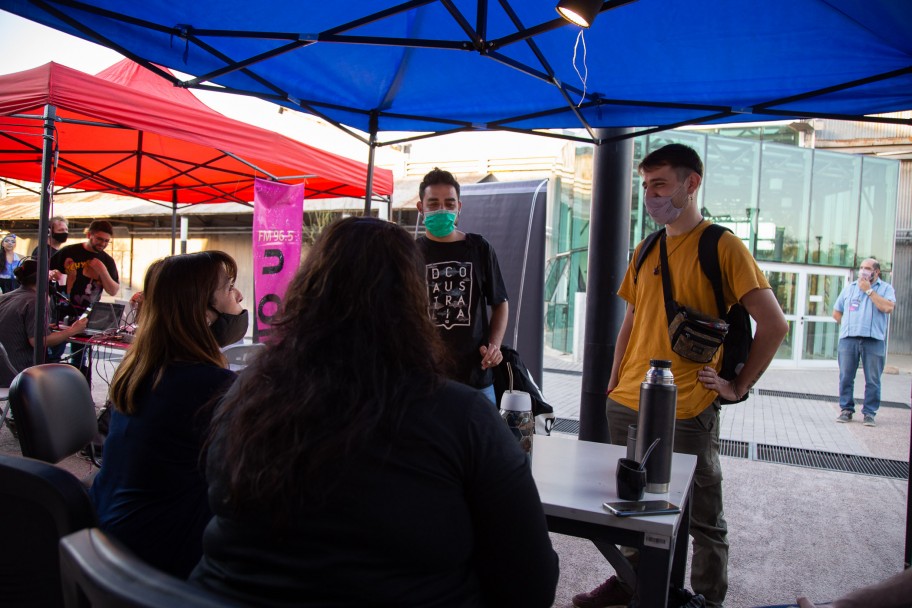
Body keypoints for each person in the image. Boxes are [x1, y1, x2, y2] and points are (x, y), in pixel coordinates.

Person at [191, 217, 559, 606]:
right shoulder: (462, 418)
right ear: (415, 305)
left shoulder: (243, 397)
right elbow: (532, 584)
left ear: (307, 292)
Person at [573, 144, 788, 608]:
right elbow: (631, 317)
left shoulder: (722, 246)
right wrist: (613, 379)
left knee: (702, 513)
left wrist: (736, 387)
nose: (650, 196)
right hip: (627, 398)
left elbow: (774, 323)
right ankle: (632, 583)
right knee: (630, 505)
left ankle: (708, 599)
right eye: (646, 186)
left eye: (660, 185)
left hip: (689, 405)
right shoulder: (648, 245)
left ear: (691, 185)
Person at [89, 251, 247, 579]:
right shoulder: (208, 385)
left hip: (114, 533)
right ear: (203, 313)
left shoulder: (141, 369)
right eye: (229, 287)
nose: (239, 296)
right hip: (161, 556)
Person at [415, 167, 509, 404]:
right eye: (433, 204)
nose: (442, 210)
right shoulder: (410, 253)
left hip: (476, 378)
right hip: (425, 379)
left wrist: (494, 346)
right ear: (421, 208)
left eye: (449, 203)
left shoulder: (479, 248)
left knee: (478, 441)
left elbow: (500, 303)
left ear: (459, 207)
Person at [49, 220, 120, 370]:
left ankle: (77, 388)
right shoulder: (69, 251)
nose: (103, 244)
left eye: (107, 241)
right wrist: (52, 273)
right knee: (53, 356)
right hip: (60, 313)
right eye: (99, 239)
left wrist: (102, 271)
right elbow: (43, 270)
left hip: (86, 317)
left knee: (79, 360)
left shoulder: (107, 261)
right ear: (89, 235)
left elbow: (113, 290)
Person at [832, 258, 895, 427]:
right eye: (861, 268)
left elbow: (888, 308)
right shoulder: (850, 288)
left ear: (876, 272)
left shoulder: (886, 289)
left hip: (874, 340)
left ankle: (869, 413)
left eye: (867, 268)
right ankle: (846, 410)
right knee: (846, 376)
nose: (863, 271)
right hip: (849, 339)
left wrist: (869, 291)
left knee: (873, 379)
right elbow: (836, 312)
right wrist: (847, 325)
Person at [0, 258, 88, 372]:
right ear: (42, 278)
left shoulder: (5, 297)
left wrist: (43, 326)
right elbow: (39, 341)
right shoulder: (35, 301)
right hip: (19, 372)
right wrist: (73, 330)